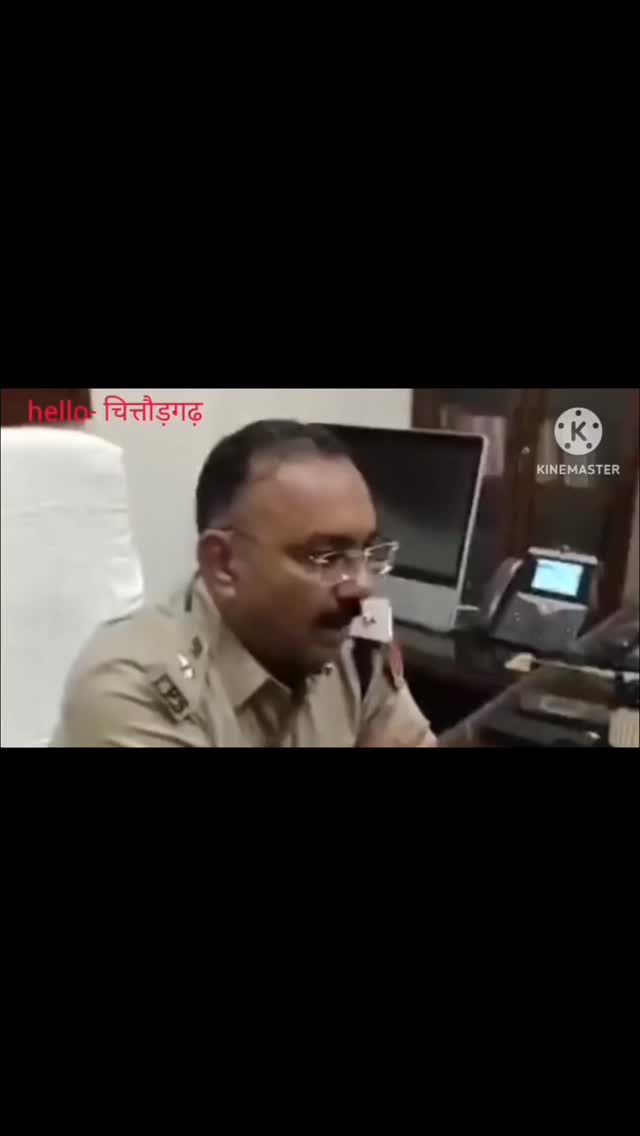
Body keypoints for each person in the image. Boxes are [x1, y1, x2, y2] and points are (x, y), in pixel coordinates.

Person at [51, 420, 437, 748]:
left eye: (368, 552)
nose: (361, 586)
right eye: (326, 556)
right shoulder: (133, 691)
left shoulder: (355, 651)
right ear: (224, 564)